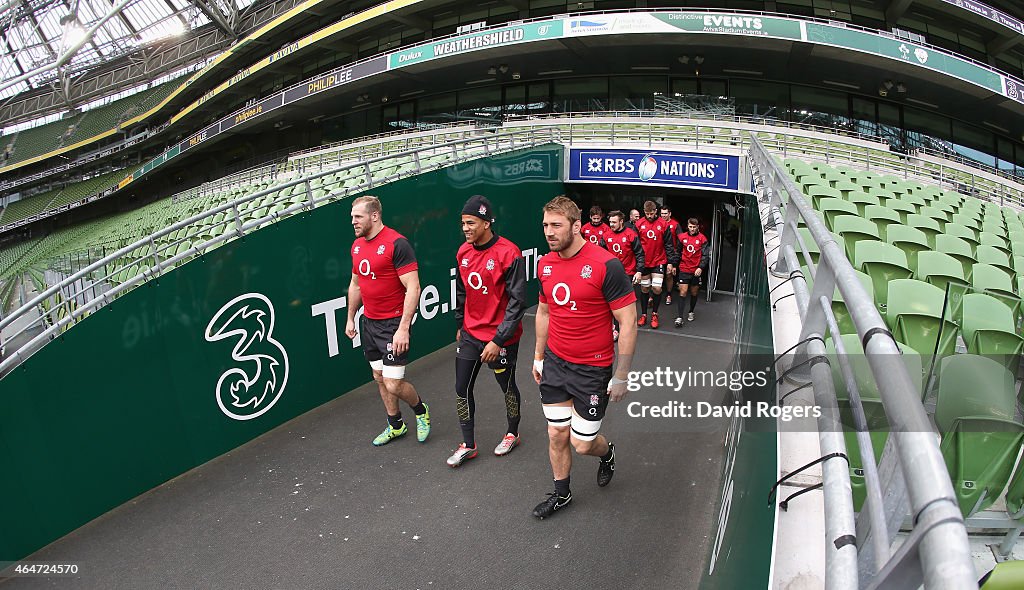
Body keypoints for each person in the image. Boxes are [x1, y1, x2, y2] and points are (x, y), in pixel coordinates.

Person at [531, 196, 637, 519]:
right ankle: (562, 494)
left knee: (582, 443)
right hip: (556, 363)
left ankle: (607, 454)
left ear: (577, 227)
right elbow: (545, 311)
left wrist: (621, 375)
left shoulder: (606, 265)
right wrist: (538, 357)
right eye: (546, 225)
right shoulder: (544, 264)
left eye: (556, 225)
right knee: (555, 433)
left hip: (593, 369)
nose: (549, 232)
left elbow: (628, 322)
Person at [448, 195, 527, 467]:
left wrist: (498, 340)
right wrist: (461, 324)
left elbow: (518, 302)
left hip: (501, 339)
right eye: (463, 223)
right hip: (471, 334)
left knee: (506, 387)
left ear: (486, 223)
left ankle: (512, 432)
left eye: (471, 223)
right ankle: (468, 444)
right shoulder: (463, 252)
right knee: (461, 388)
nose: (466, 228)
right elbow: (461, 291)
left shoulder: (509, 253)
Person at [345, 195, 431, 446]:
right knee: (379, 376)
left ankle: (421, 410)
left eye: (357, 217)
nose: (353, 222)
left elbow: (413, 287)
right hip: (369, 323)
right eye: (352, 217)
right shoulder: (357, 246)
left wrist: (404, 328)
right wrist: (351, 317)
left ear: (374, 216)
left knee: (393, 383)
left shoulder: (397, 244)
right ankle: (396, 425)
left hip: (393, 325)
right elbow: (355, 285)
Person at [604, 210, 645, 341]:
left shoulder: (631, 235)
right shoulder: (606, 236)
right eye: (610, 222)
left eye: (614, 222)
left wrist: (639, 271)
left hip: (628, 272)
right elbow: (600, 254)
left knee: (622, 303)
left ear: (621, 222)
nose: (611, 224)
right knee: (609, 302)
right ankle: (613, 329)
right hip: (610, 273)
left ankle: (622, 328)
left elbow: (639, 253)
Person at [634, 200, 673, 329]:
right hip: (644, 262)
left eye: (651, 213)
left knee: (656, 288)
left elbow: (669, 244)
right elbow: (635, 245)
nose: (649, 216)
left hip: (659, 261)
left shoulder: (663, 224)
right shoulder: (639, 224)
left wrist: (670, 263)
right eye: (647, 213)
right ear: (644, 212)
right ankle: (644, 314)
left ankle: (655, 314)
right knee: (645, 289)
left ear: (656, 211)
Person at [668, 217, 710, 327]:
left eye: (694, 227)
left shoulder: (702, 239)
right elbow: (678, 252)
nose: (692, 229)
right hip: (684, 268)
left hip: (695, 270)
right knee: (683, 292)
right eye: (690, 227)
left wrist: (700, 267)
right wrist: (674, 265)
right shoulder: (682, 237)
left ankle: (691, 311)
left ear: (698, 227)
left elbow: (705, 255)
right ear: (687, 226)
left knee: (694, 292)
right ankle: (680, 317)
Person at [659, 205, 680, 306]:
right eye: (662, 214)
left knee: (668, 275)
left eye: (665, 214)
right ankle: (652, 295)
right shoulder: (657, 223)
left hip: (670, 254)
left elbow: (680, 241)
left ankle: (668, 294)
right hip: (658, 253)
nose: (663, 215)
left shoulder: (675, 225)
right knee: (657, 274)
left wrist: (675, 259)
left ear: (669, 214)